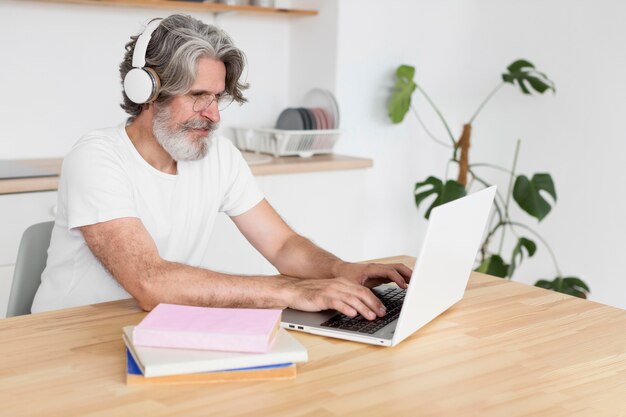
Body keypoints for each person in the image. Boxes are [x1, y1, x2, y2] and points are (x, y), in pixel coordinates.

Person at [31, 14, 411, 319]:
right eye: (197, 96)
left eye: (216, 97)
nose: (212, 114)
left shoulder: (218, 156)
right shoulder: (97, 158)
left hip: (154, 329)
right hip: (68, 337)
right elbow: (150, 281)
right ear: (145, 92)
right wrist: (291, 290)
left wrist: (341, 270)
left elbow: (282, 245)